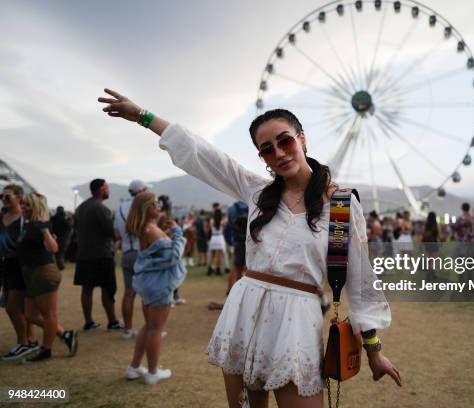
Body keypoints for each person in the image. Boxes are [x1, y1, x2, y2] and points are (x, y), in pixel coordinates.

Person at [98, 89, 400, 407]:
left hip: (296, 320)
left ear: (302, 139)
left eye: (285, 141)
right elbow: (206, 157)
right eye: (267, 150)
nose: (279, 153)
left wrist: (374, 349)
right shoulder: (258, 193)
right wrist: (145, 117)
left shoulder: (340, 205)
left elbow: (360, 280)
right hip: (244, 311)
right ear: (262, 158)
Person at [124, 191, 187, 385]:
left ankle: (134, 367)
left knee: (149, 326)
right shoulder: (151, 229)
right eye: (154, 203)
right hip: (159, 285)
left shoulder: (148, 229)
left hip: (149, 284)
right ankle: (152, 372)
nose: (159, 206)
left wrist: (168, 235)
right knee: (156, 329)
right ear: (145, 208)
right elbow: (174, 256)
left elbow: (159, 252)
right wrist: (177, 232)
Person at [19, 193, 78, 363]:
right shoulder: (30, 224)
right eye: (23, 204)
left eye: (28, 205)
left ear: (35, 207)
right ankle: (64, 334)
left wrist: (45, 230)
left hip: (44, 273)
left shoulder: (41, 224)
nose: (24, 207)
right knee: (30, 315)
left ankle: (46, 350)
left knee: (49, 314)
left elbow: (53, 247)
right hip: (32, 273)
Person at [74, 179, 123, 331]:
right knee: (107, 288)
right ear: (102, 189)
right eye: (107, 188)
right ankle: (113, 321)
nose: (108, 191)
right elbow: (113, 232)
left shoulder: (81, 207)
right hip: (102, 254)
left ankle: (88, 322)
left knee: (86, 289)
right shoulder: (101, 209)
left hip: (83, 254)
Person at [0, 184, 39, 360]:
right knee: (19, 307)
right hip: (6, 265)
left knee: (12, 307)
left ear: (18, 197)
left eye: (7, 196)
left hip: (21, 265)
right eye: (1, 197)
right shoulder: (2, 217)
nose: (3, 200)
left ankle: (24, 342)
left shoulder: (25, 219)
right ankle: (29, 340)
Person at [114, 179, 149, 340]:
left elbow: (116, 234)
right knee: (146, 294)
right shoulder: (143, 206)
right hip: (141, 253)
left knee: (128, 293)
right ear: (141, 191)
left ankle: (127, 329)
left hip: (127, 253)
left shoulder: (120, 208)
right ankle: (151, 329)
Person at [50, 206, 72, 270]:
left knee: (54, 252)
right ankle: (60, 265)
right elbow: (69, 228)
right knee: (61, 253)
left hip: (54, 237)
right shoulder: (64, 219)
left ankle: (55, 264)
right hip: (63, 238)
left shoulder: (53, 218)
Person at [207, 208, 226, 276]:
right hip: (219, 237)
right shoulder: (222, 220)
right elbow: (224, 226)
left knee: (211, 255)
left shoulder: (212, 220)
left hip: (213, 237)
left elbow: (210, 228)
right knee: (219, 256)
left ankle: (209, 269)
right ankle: (218, 270)